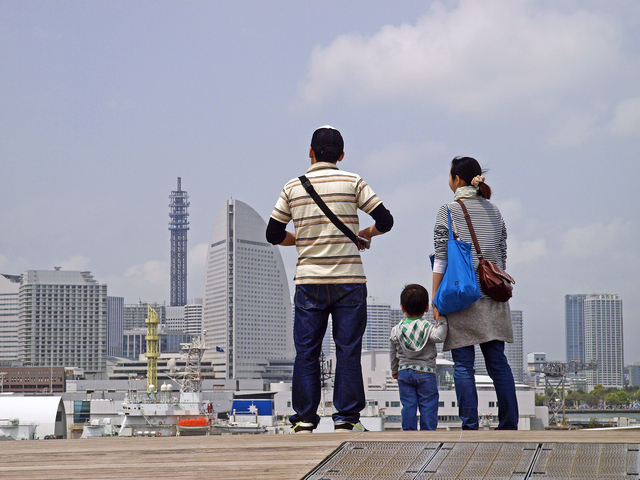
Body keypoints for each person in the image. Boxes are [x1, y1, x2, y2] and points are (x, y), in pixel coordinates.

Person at [266, 125, 394, 433]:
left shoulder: (292, 187)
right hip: (350, 280)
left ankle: (305, 420)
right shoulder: (353, 181)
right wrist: (367, 233)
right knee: (347, 350)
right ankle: (346, 418)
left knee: (307, 352)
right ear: (341, 155)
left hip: (309, 282)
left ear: (310, 153)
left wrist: (299, 240)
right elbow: (385, 220)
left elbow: (272, 233)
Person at [431, 156, 519, 430]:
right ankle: (509, 424)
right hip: (494, 296)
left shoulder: (448, 210)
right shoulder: (494, 210)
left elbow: (441, 260)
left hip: (462, 296)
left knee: (463, 367)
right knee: (498, 365)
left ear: (457, 179)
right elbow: (502, 255)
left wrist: (435, 299)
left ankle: (470, 425)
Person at [390, 284, 447, 430]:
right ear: (427, 307)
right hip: (425, 372)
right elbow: (440, 336)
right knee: (428, 404)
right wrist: (443, 319)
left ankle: (409, 433)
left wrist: (395, 370)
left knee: (408, 405)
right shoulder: (427, 327)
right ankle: (428, 433)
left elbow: (393, 353)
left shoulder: (396, 330)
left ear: (402, 307)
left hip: (404, 372)